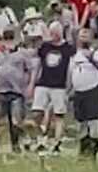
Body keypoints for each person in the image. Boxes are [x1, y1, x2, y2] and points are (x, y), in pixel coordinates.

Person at [29, 21, 76, 152]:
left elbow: (71, 67)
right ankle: (40, 137)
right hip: (43, 82)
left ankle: (57, 142)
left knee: (59, 114)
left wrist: (69, 85)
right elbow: (37, 65)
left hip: (59, 85)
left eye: (56, 33)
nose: (54, 35)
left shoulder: (68, 48)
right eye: (52, 33)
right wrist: (32, 83)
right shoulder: (45, 47)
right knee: (36, 112)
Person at [0, 29, 37, 153]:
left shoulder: (22, 54)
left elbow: (31, 69)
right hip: (1, 90)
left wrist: (30, 85)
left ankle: (17, 144)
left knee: (16, 121)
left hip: (17, 90)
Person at [69, 28, 98, 158]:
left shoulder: (95, 54)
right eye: (81, 35)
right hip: (78, 92)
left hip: (92, 90)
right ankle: (83, 147)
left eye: (86, 35)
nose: (83, 37)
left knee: (93, 120)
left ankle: (94, 149)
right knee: (81, 121)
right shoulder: (75, 55)